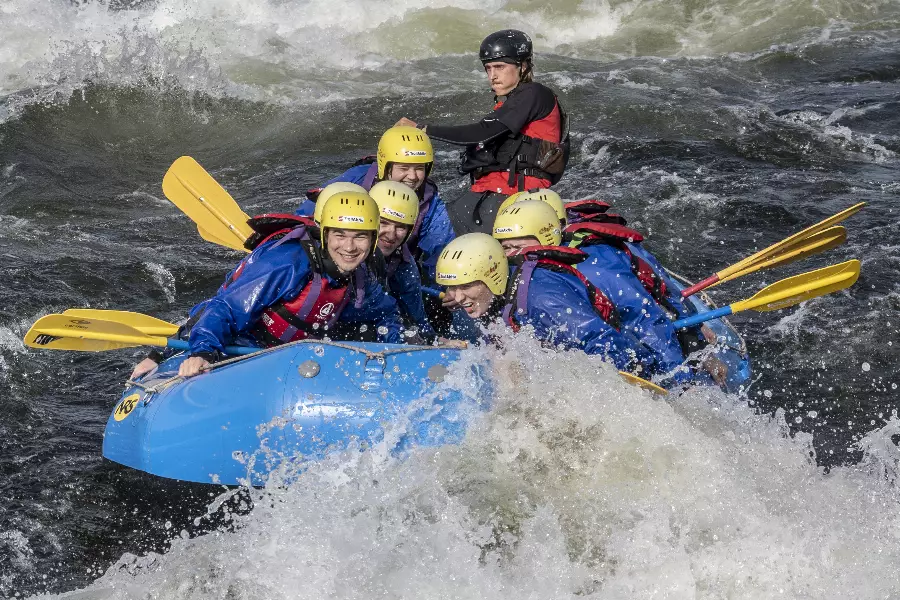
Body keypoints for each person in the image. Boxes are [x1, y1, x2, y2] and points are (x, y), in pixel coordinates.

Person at [132, 192, 405, 379]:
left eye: (360, 237)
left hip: (287, 354)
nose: (349, 247)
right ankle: (161, 356)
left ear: (372, 240)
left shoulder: (361, 278)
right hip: (235, 342)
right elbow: (226, 308)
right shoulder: (287, 263)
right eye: (340, 235)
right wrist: (203, 352)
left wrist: (402, 352)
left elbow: (386, 314)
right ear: (324, 235)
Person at [492, 200, 690, 382]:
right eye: (505, 248)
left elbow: (644, 319)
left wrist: (676, 379)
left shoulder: (596, 267)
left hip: (642, 345)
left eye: (517, 246)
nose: (511, 255)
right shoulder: (532, 274)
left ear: (547, 239)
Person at [397, 30, 569, 235]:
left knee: (421, 231)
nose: (492, 76)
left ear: (522, 66)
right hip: (487, 196)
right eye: (488, 68)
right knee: (414, 225)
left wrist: (422, 129)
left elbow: (481, 133)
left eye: (500, 67)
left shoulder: (534, 93)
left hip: (513, 199)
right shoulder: (509, 106)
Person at [434, 233, 654, 374]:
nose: (457, 297)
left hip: (631, 365)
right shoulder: (492, 296)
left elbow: (604, 343)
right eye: (452, 287)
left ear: (491, 276)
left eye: (466, 286)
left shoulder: (542, 300)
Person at [296, 126, 455, 286]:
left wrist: (449, 285)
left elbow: (441, 248)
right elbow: (306, 220)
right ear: (385, 165)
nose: (413, 177)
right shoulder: (355, 181)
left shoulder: (430, 202)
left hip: (393, 265)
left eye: (419, 168)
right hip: (347, 260)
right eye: (404, 168)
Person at [367, 180, 436, 342]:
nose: (391, 235)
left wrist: (434, 341)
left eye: (401, 227)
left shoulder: (404, 264)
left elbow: (417, 317)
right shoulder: (347, 252)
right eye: (383, 223)